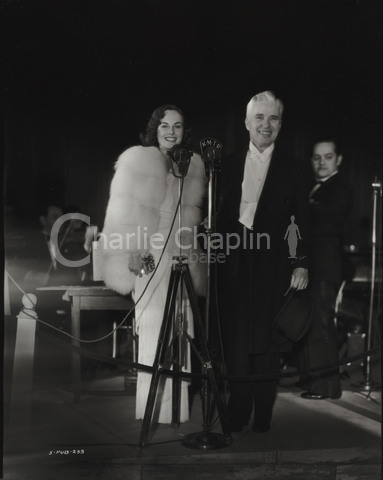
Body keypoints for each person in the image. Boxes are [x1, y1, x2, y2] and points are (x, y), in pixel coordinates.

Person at [100, 105, 207, 423]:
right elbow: (120, 211)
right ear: (154, 129)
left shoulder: (192, 165)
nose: (171, 131)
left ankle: (178, 410)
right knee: (152, 328)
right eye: (164, 126)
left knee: (181, 331)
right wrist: (131, 249)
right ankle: (153, 410)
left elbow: (192, 220)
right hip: (149, 253)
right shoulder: (137, 160)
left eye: (177, 125)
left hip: (181, 255)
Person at [216, 91, 310, 433]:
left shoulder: (295, 168)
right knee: (237, 342)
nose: (265, 125)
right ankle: (237, 410)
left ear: (281, 124)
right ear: (246, 123)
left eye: (273, 118)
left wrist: (300, 262)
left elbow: (300, 221)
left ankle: (264, 415)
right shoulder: (224, 164)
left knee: (267, 343)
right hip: (233, 264)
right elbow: (217, 218)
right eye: (259, 117)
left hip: (273, 265)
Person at [298, 138, 353, 400]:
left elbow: (321, 224)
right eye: (317, 157)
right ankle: (316, 383)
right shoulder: (315, 187)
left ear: (338, 160)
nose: (322, 162)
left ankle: (327, 387)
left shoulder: (340, 187)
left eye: (328, 157)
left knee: (321, 324)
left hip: (325, 266)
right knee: (312, 323)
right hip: (314, 265)